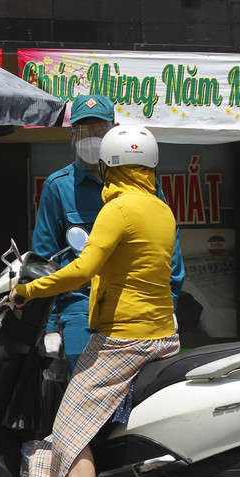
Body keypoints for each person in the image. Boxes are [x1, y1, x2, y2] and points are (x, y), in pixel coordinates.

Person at [11, 124, 181, 477]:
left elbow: (82, 269)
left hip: (121, 339)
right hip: (162, 335)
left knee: (69, 430)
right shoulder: (161, 208)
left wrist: (30, 291)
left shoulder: (118, 208)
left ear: (108, 167)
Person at [32, 94, 185, 373]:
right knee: (85, 393)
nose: (90, 138)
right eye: (82, 130)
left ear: (113, 130)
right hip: (80, 308)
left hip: (136, 306)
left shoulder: (143, 182)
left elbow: (168, 247)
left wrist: (170, 304)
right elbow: (45, 258)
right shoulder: (58, 187)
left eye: (99, 130)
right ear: (72, 135)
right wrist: (50, 325)